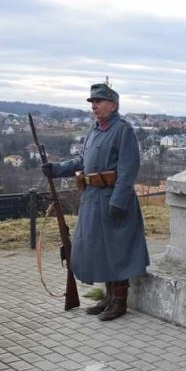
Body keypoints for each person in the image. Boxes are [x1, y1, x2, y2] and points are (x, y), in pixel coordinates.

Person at [40, 83, 149, 321]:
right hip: (92, 197)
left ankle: (120, 302)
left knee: (117, 248)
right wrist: (56, 169)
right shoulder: (95, 130)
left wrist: (119, 201)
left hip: (113, 198)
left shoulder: (123, 130)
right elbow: (83, 160)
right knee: (101, 248)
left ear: (114, 105)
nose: (95, 106)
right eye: (92, 102)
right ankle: (109, 298)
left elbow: (129, 168)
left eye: (99, 101)